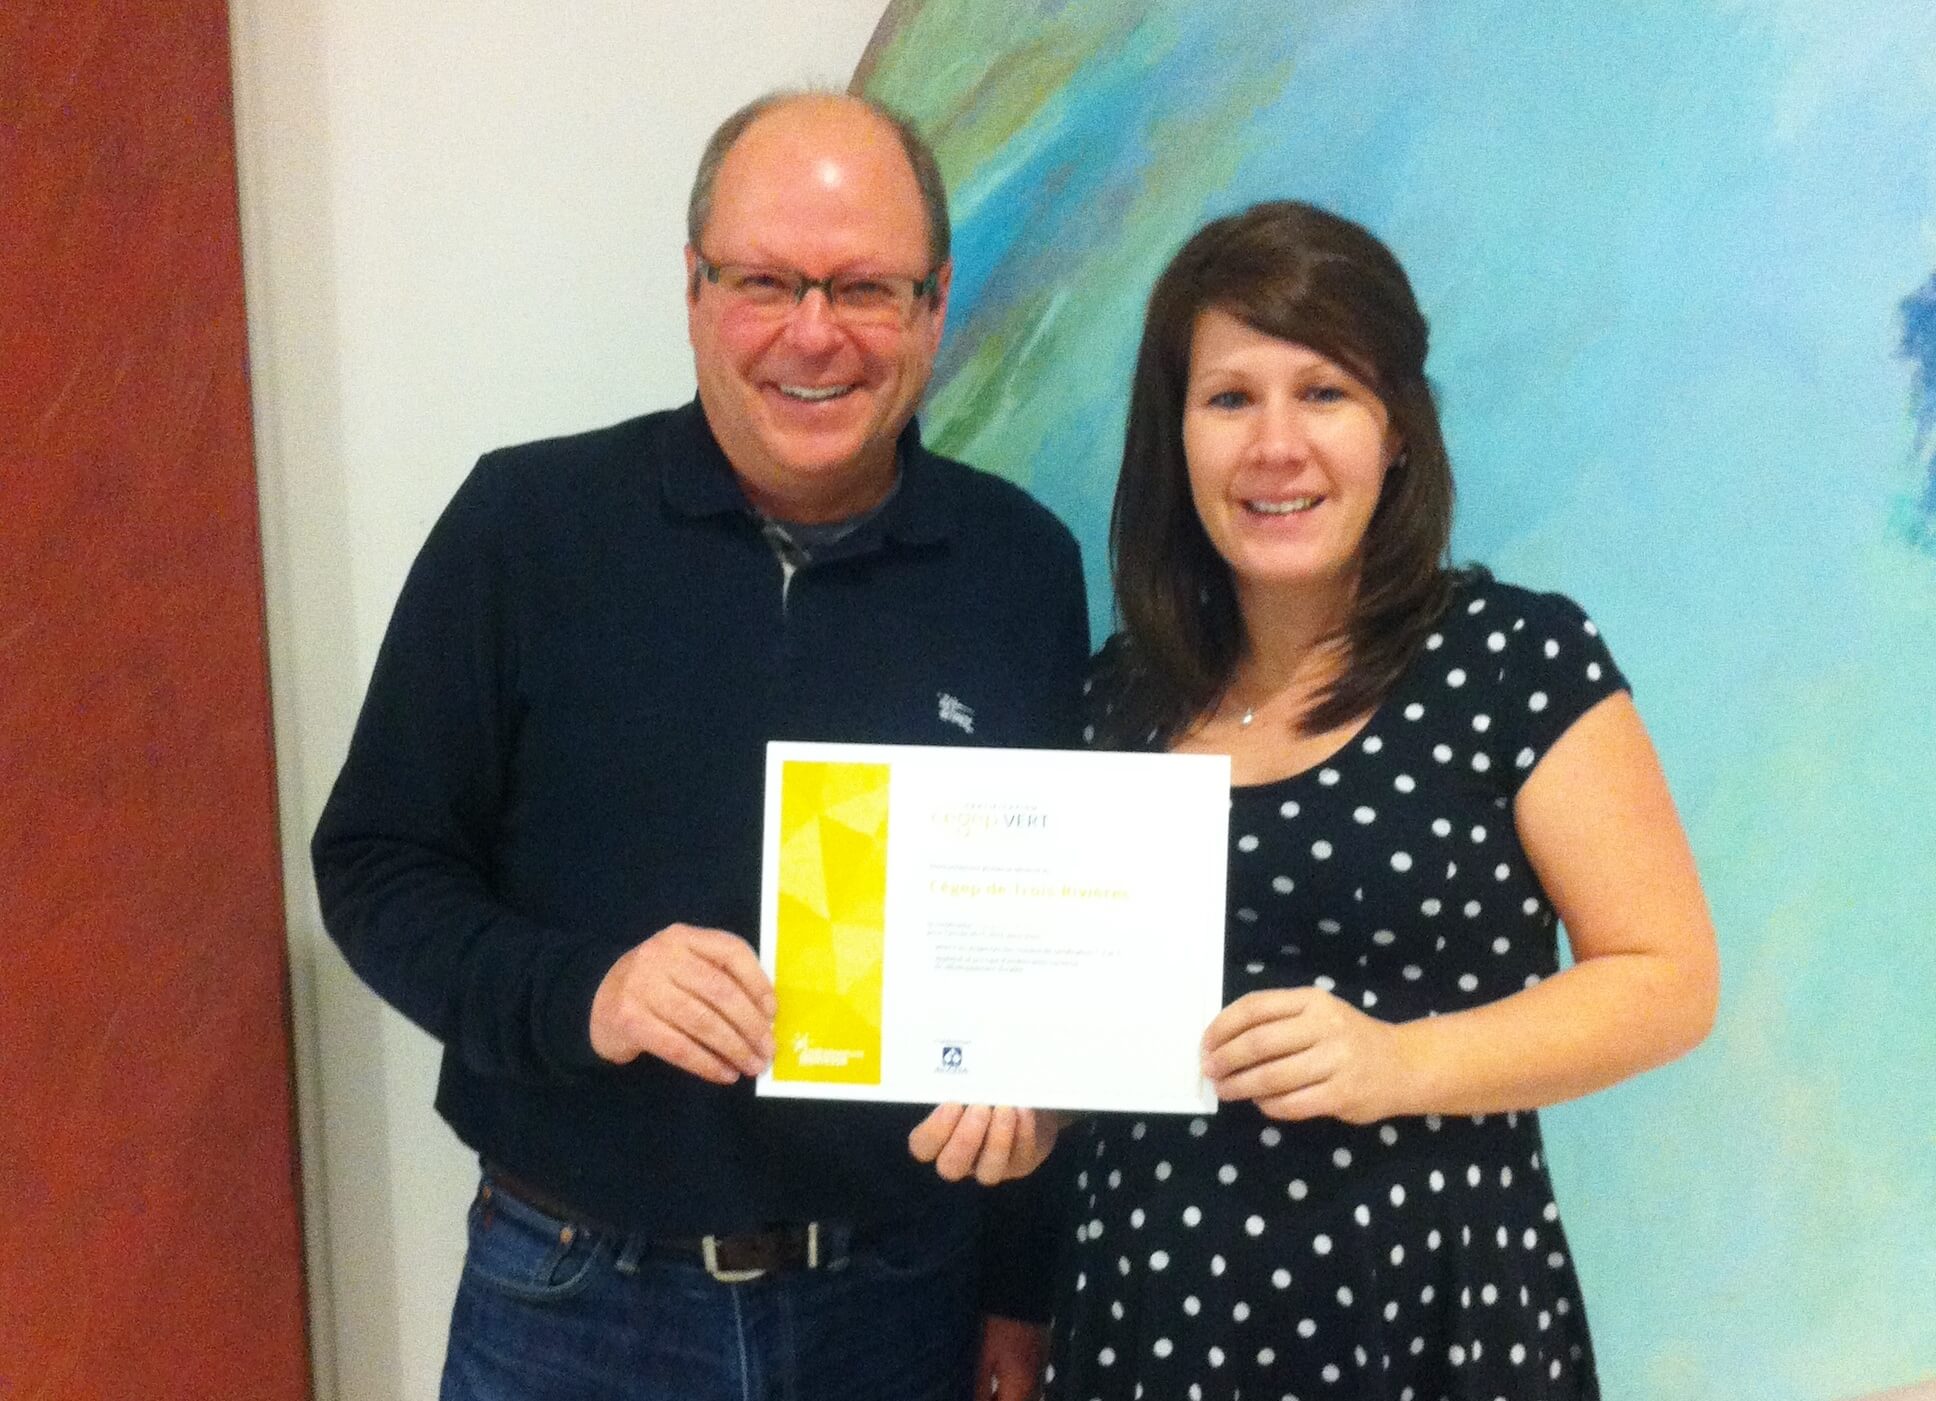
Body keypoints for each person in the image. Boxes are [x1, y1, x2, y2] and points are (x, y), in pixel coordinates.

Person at [312, 90, 1085, 1401]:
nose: (813, 333)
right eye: (766, 281)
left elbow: (1047, 947)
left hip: (901, 1303)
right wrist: (588, 993)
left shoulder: (1019, 565)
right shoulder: (526, 527)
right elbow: (377, 867)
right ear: (691, 286)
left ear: (935, 305)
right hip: (570, 1299)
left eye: (865, 288)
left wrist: (1021, 1286)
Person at [1041, 201, 1719, 1401]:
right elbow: (1074, 1016)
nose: (1275, 445)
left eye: (1325, 393)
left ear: (1397, 429)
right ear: (1175, 435)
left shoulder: (1516, 661)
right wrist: (1023, 1103)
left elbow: (1666, 980)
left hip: (1425, 1310)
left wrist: (1397, 1064)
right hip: (1149, 1318)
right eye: (1229, 398)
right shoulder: (1114, 701)